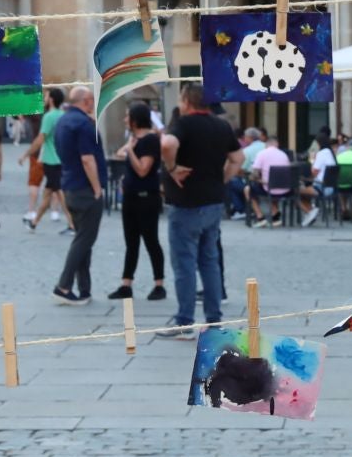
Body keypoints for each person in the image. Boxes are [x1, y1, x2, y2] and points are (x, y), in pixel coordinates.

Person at [161, 83, 241, 336]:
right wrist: (224, 178)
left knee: (184, 263)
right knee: (210, 262)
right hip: (214, 203)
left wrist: (172, 168)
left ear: (187, 101)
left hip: (186, 204)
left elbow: (166, 145)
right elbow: (239, 158)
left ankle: (185, 321)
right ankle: (214, 320)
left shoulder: (183, 124)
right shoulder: (221, 125)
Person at [50, 86, 105, 305]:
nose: (93, 102)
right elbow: (87, 159)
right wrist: (97, 188)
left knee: (83, 237)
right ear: (86, 101)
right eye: (92, 99)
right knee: (84, 240)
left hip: (70, 185)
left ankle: (84, 289)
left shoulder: (62, 121)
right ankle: (63, 286)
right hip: (85, 189)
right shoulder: (83, 124)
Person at [110, 102, 166, 299]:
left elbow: (143, 170)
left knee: (151, 241)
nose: (125, 120)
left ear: (135, 120)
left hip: (146, 198)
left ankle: (159, 284)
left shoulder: (150, 140)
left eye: (127, 117)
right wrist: (129, 148)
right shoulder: (134, 138)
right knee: (131, 242)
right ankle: (126, 284)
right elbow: (119, 154)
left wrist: (131, 151)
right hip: (131, 198)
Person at [23, 89, 67, 227]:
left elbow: (40, 139)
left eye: (47, 96)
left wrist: (26, 154)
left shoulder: (49, 116)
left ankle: (72, 222)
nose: (45, 98)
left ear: (52, 100)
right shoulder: (63, 115)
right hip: (60, 158)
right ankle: (35, 222)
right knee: (48, 192)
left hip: (51, 159)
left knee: (59, 191)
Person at [247, 138, 292, 228]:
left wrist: (254, 178)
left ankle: (260, 217)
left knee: (248, 189)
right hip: (285, 189)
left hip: (269, 188)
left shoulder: (262, 153)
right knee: (267, 187)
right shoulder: (284, 154)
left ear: (266, 145)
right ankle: (275, 215)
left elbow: (255, 173)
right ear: (277, 145)